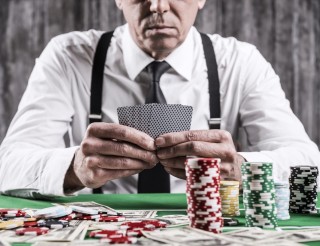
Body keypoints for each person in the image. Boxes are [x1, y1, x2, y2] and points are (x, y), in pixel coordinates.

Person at [0, 0, 319, 197]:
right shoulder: (68, 57)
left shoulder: (240, 62)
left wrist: (241, 168)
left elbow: (309, 164)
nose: (157, 5)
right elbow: (7, 165)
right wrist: (75, 167)